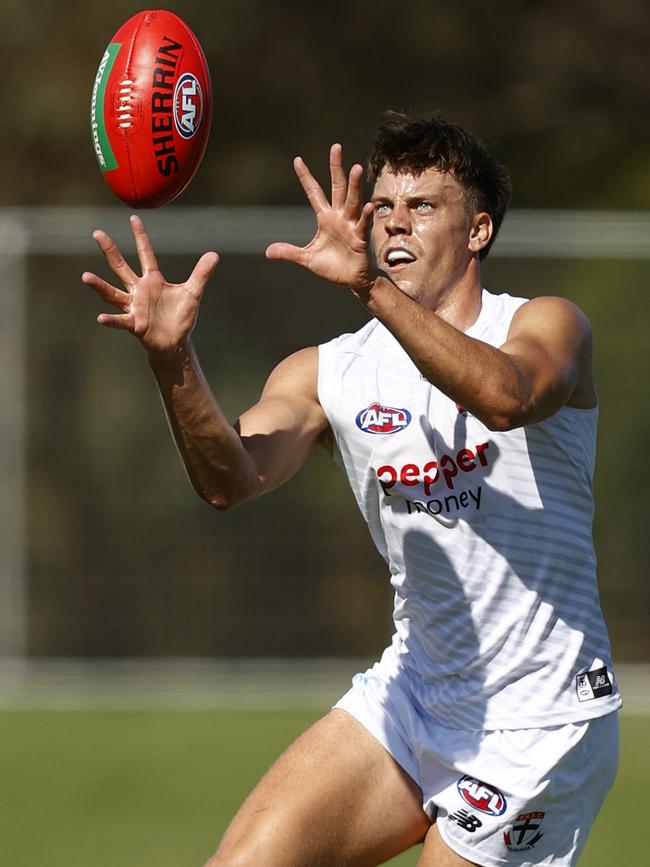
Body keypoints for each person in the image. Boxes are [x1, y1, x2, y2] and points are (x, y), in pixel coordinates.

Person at [82, 113, 621, 867]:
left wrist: (369, 286)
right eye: (384, 210)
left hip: (539, 718)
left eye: (424, 207)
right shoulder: (330, 371)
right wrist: (173, 360)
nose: (396, 225)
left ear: (478, 230)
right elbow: (228, 478)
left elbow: (507, 396)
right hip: (413, 695)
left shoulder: (546, 325)